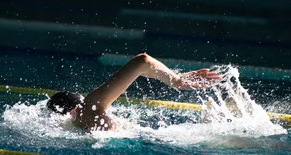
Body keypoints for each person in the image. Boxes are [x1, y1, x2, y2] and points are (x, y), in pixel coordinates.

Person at [47, 53, 222, 132]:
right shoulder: (88, 107)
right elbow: (142, 61)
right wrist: (177, 81)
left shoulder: (76, 125)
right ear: (76, 105)